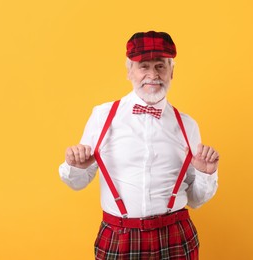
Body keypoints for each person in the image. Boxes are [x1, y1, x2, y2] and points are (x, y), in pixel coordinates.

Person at [59, 31, 220, 260]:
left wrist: (206, 174)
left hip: (175, 235)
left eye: (160, 66)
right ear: (129, 72)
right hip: (119, 237)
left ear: (171, 71)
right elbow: (77, 183)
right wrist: (75, 166)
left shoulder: (187, 125)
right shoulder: (103, 116)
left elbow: (195, 199)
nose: (152, 74)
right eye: (144, 66)